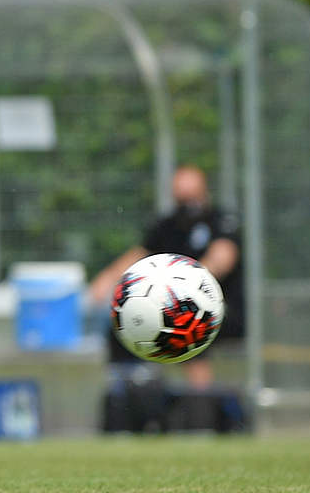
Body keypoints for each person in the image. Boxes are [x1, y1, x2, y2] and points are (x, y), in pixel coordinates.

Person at [87, 165, 244, 431]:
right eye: (180, 198)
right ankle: (130, 407)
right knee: (121, 324)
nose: (186, 205)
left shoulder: (221, 221)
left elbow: (222, 257)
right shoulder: (167, 225)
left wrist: (187, 285)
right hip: (166, 306)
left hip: (216, 310)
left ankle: (200, 418)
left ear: (204, 191)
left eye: (191, 197)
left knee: (185, 326)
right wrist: (107, 279)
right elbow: (140, 254)